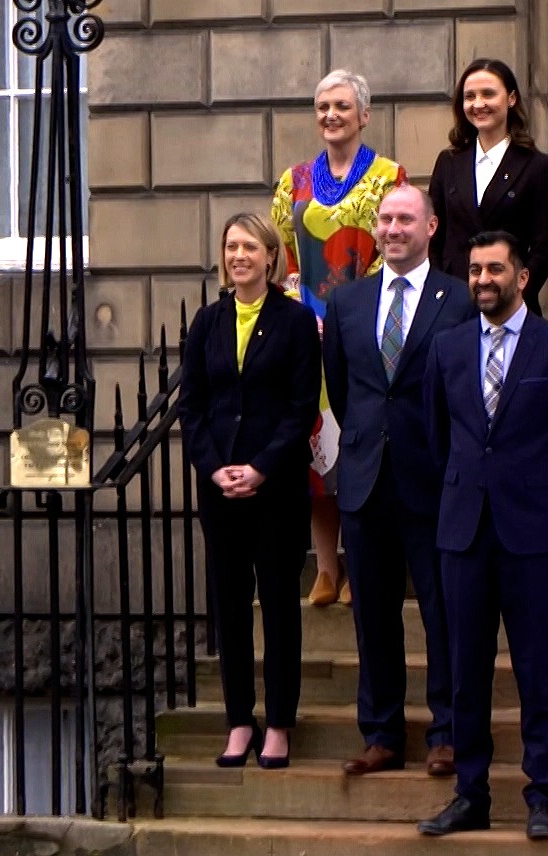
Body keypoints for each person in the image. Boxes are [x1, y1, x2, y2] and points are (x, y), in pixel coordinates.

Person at [418, 230, 548, 840]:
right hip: (464, 534)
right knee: (466, 672)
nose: (482, 279)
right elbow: (438, 440)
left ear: (523, 277)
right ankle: (471, 794)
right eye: (473, 269)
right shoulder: (445, 350)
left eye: (495, 268)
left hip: (533, 534)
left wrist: (539, 494)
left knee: (535, 671)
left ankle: (544, 795)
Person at [322, 185, 475, 778]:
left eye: (405, 219)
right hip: (365, 479)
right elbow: (342, 387)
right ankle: (382, 732)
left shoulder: (457, 300)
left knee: (442, 611)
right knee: (374, 616)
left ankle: (447, 731)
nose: (392, 229)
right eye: (385, 219)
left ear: (431, 227)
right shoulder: (348, 302)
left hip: (433, 477)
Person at [177, 212, 321, 770]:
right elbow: (192, 407)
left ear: (270, 257)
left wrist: (259, 468)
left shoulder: (295, 321)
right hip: (219, 489)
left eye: (250, 247)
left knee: (281, 605)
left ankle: (280, 722)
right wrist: (215, 469)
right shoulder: (207, 323)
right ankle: (240, 720)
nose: (239, 256)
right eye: (231, 247)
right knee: (230, 606)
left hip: (276, 486)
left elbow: (301, 407)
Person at [271, 69, 408, 608]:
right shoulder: (294, 180)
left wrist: (348, 311)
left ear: (364, 114)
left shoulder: (389, 177)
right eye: (323, 106)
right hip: (309, 326)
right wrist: (300, 308)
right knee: (316, 447)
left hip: (366, 328)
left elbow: (394, 246)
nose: (331, 115)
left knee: (360, 443)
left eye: (342, 106)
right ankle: (325, 568)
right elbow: (283, 251)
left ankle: (360, 564)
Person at [429, 58, 548, 315]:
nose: (478, 104)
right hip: (452, 306)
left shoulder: (537, 166)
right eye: (470, 96)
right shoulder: (449, 162)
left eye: (488, 94)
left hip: (512, 306)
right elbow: (434, 236)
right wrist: (442, 290)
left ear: (511, 99)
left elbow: (544, 247)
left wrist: (516, 295)